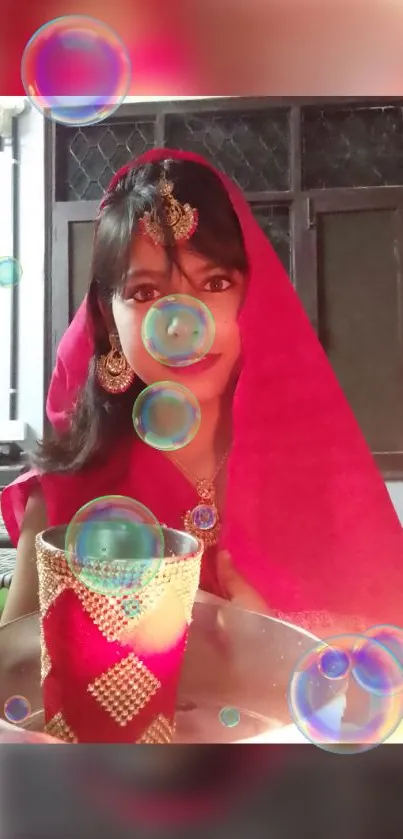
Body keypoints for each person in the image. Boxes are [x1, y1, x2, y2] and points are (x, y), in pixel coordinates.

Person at [2, 148, 403, 635]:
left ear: (252, 300)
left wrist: (272, 650)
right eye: (146, 293)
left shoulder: (325, 483)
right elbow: (13, 691)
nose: (181, 325)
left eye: (215, 283)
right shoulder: (62, 497)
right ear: (107, 318)